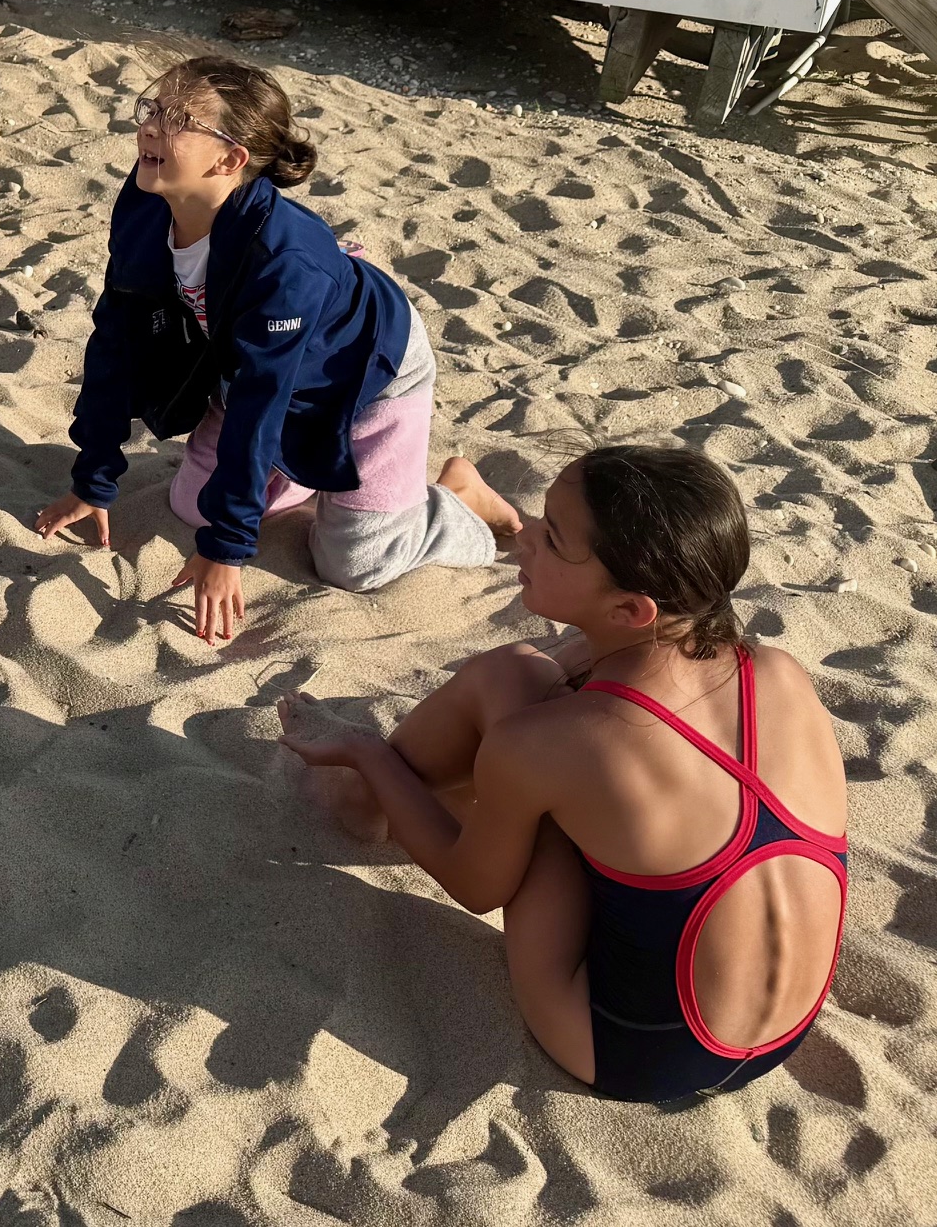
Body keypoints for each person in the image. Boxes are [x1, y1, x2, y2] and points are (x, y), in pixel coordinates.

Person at [279, 445, 848, 1103]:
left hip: (629, 1047)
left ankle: (364, 799)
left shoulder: (556, 743)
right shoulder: (777, 673)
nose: (522, 535)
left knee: (508, 682)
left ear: (630, 610)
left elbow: (474, 886)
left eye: (552, 537)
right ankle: (393, 790)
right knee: (534, 689)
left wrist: (368, 752)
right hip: (779, 1036)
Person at [33, 55, 516, 639]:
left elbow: (263, 402)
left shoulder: (285, 262)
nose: (152, 127)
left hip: (366, 374)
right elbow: (115, 338)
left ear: (230, 160)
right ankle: (300, 472)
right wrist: (93, 479)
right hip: (248, 360)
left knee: (357, 566)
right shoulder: (145, 201)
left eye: (179, 119)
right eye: (152, 109)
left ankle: (454, 497)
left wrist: (228, 548)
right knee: (194, 507)